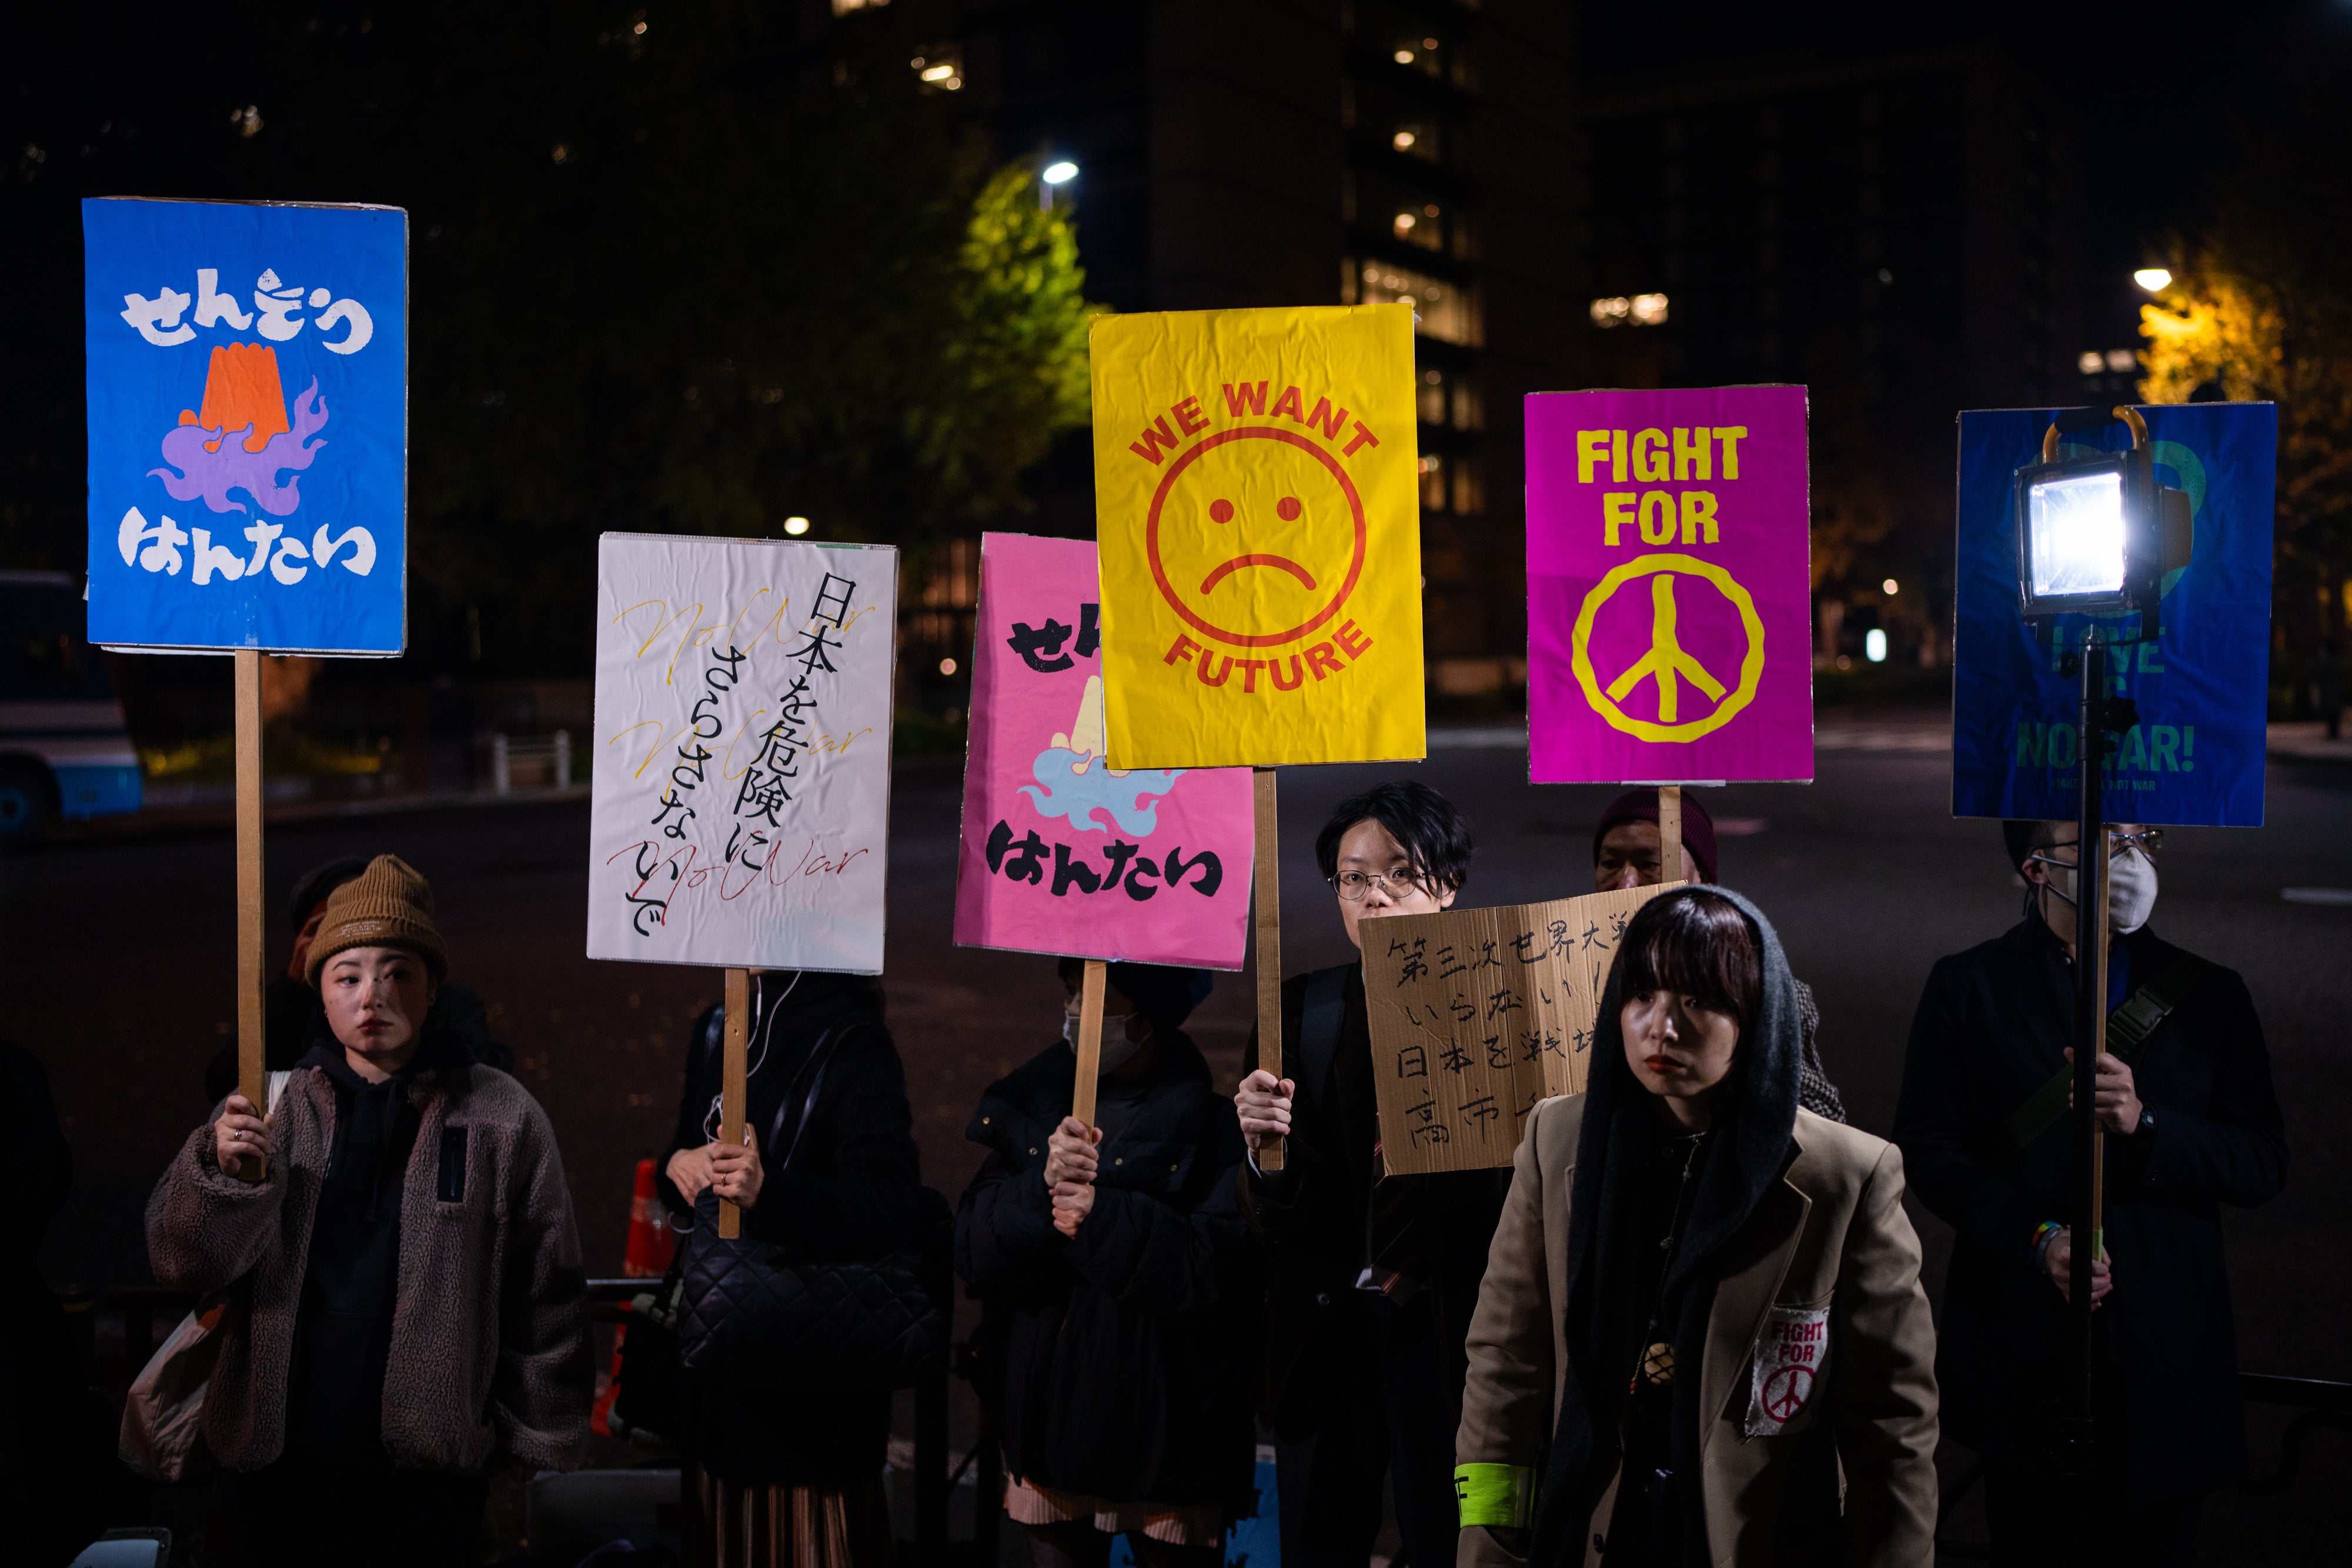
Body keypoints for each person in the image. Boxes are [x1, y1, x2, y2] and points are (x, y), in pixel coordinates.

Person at [1455, 887, 1939, 1567]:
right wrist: (1487, 1545)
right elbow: (1506, 1367)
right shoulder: (1558, 1140)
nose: (1662, 1027)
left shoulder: (1845, 1175)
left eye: (1698, 1001)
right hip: (1590, 1532)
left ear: (1757, 1017)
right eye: (1641, 996)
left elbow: (1891, 1427)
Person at [146, 854, 592, 1567]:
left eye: (398, 973)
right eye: (347, 976)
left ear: (434, 986)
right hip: (281, 1462)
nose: (371, 995)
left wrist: (533, 1434)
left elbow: (548, 1288)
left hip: (431, 1472)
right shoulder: (270, 1105)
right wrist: (220, 1175)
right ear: (319, 990)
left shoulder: (500, 1115)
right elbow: (181, 1259)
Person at [1893, 821, 2287, 1564]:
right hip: (2023, 1358)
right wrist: (2037, 1240)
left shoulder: (2209, 995)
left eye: (2142, 838)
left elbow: (2262, 1162)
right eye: (2104, 839)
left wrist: (2149, 1124)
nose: (2131, 859)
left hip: (2165, 1368)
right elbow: (1930, 1151)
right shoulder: (1968, 986)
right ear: (2037, 865)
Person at [1234, 781, 1505, 1568]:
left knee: (1458, 1547)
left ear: (1448, 886)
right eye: (1354, 877)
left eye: (1399, 873)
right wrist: (1263, 1153)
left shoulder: (1501, 1008)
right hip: (1331, 1343)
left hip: (1457, 1349)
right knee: (1320, 1544)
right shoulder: (1297, 1014)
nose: (1374, 895)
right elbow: (1278, 1218)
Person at [956, 959, 1255, 1568]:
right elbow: (972, 1252)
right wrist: (1037, 1191)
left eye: (1091, 996)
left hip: (1171, 1450)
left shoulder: (1216, 1132)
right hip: (1049, 1442)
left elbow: (1213, 1273)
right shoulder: (1032, 1109)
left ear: (1145, 1020)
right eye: (1070, 989)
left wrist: (1101, 1217)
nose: (1071, 1010)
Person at [658, 968, 932, 1568]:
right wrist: (678, 1164)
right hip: (724, 1372)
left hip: (817, 1396)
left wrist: (769, 1193)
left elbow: (889, 1205)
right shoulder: (718, 1027)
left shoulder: (854, 1040)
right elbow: (684, 1155)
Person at [1589, 788, 1846, 1123]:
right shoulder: (1559, 980)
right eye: (1610, 864)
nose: (1626, 883)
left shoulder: (1758, 987)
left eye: (1650, 864)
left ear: (1704, 879)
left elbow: (1818, 1121)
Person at [203, 853, 513, 1106]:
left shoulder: (449, 1007)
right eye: (335, 926)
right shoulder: (300, 1018)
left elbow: (490, 1082)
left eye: (397, 972)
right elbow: (228, 1088)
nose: (369, 997)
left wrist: (408, 1020)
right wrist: (292, 988)